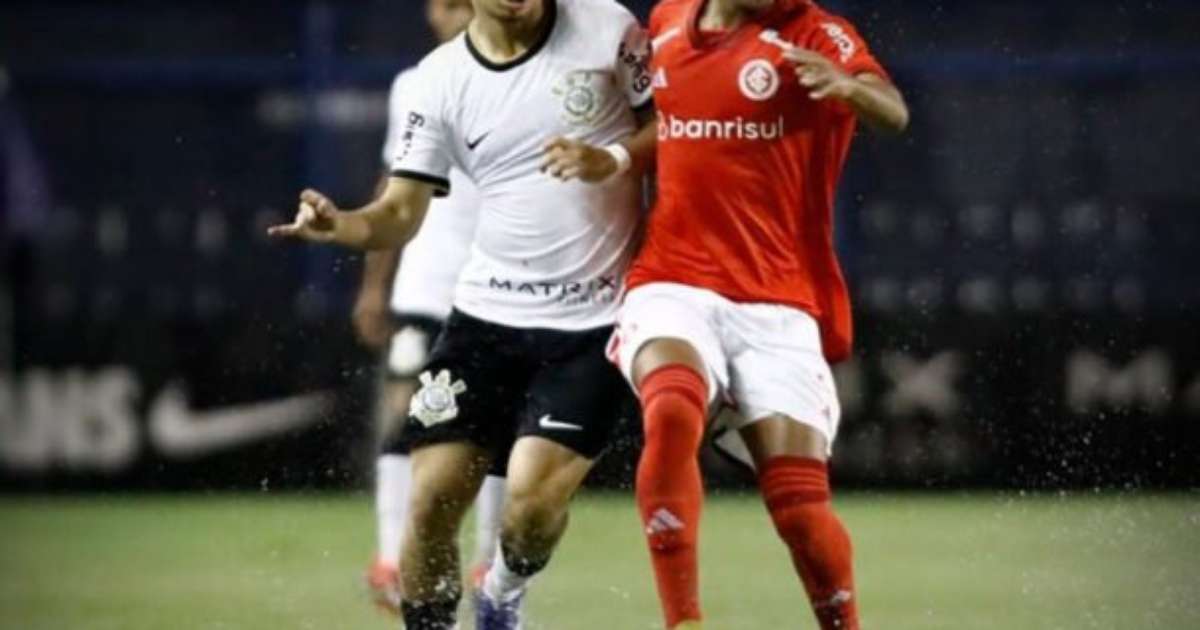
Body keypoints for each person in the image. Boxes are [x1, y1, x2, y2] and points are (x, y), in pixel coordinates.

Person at [269, 0, 656, 628]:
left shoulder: (608, 28)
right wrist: (340, 226)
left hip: (592, 324)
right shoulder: (436, 81)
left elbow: (678, 127)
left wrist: (610, 160)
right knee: (430, 501)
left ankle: (501, 593)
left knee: (528, 511)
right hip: (483, 321)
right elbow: (399, 213)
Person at [606, 0, 910, 628]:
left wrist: (849, 86)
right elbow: (670, 121)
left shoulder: (816, 33)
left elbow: (894, 111)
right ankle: (683, 619)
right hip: (673, 279)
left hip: (778, 300)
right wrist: (612, 161)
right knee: (669, 410)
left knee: (799, 510)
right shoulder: (664, 22)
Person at [354, 0, 506, 616]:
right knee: (402, 418)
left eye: (463, 5)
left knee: (498, 429)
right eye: (445, 6)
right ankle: (391, 556)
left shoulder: (525, 78)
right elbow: (395, 187)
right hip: (423, 286)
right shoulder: (414, 85)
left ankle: (489, 562)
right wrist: (373, 287)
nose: (453, 15)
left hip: (499, 287)